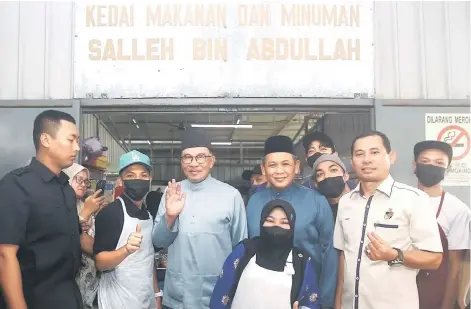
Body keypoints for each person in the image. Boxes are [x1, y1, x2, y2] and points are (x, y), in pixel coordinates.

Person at [334, 131, 443, 309]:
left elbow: (434, 259)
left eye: (374, 152)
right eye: (359, 154)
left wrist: (394, 255)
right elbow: (344, 255)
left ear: (391, 157)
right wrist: (338, 302)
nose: (367, 160)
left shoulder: (415, 199)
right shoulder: (346, 202)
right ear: (352, 162)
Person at [152, 128, 248, 309]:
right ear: (181, 162)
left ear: (212, 161)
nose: (194, 163)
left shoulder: (231, 196)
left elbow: (241, 249)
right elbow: (158, 241)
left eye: (201, 157)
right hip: (178, 294)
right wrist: (170, 216)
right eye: (187, 157)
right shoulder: (172, 192)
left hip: (216, 293)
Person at [0, 110, 82, 309]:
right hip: (35, 299)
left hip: (69, 296)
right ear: (46, 139)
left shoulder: (66, 189)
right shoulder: (16, 185)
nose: (77, 147)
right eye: (71, 140)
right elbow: (5, 254)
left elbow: (72, 238)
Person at [246, 135, 337, 309]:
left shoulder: (316, 201)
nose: (279, 171)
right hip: (261, 294)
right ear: (263, 170)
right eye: (272, 165)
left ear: (296, 167)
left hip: (307, 294)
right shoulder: (254, 202)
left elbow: (329, 253)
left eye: (285, 164)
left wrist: (325, 300)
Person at [210, 199, 320, 309]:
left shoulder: (301, 262)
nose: (277, 226)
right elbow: (222, 291)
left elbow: (310, 300)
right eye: (270, 221)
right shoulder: (245, 250)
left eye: (284, 222)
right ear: (261, 222)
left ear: (292, 227)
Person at [93, 150, 161, 309]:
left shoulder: (148, 214)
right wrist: (126, 250)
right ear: (121, 180)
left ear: (150, 178)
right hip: (118, 300)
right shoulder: (111, 213)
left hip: (145, 298)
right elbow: (100, 262)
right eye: (130, 175)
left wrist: (156, 293)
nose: (138, 179)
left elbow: (148, 258)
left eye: (143, 175)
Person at [413, 140, 471, 309]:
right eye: (425, 161)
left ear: (448, 169)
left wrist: (447, 305)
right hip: (401, 292)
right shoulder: (402, 201)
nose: (431, 166)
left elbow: (455, 266)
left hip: (435, 294)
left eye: (439, 163)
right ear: (414, 165)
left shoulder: (457, 209)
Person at [63, 163, 105, 309]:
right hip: (70, 275)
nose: (83, 185)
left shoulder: (86, 204)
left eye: (86, 181)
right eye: (78, 179)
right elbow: (70, 237)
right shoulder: (60, 205)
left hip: (90, 275)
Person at [311, 154, 351, 221]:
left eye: (333, 170)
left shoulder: (362, 203)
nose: (327, 176)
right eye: (320, 174)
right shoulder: (317, 214)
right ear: (316, 184)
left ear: (345, 176)